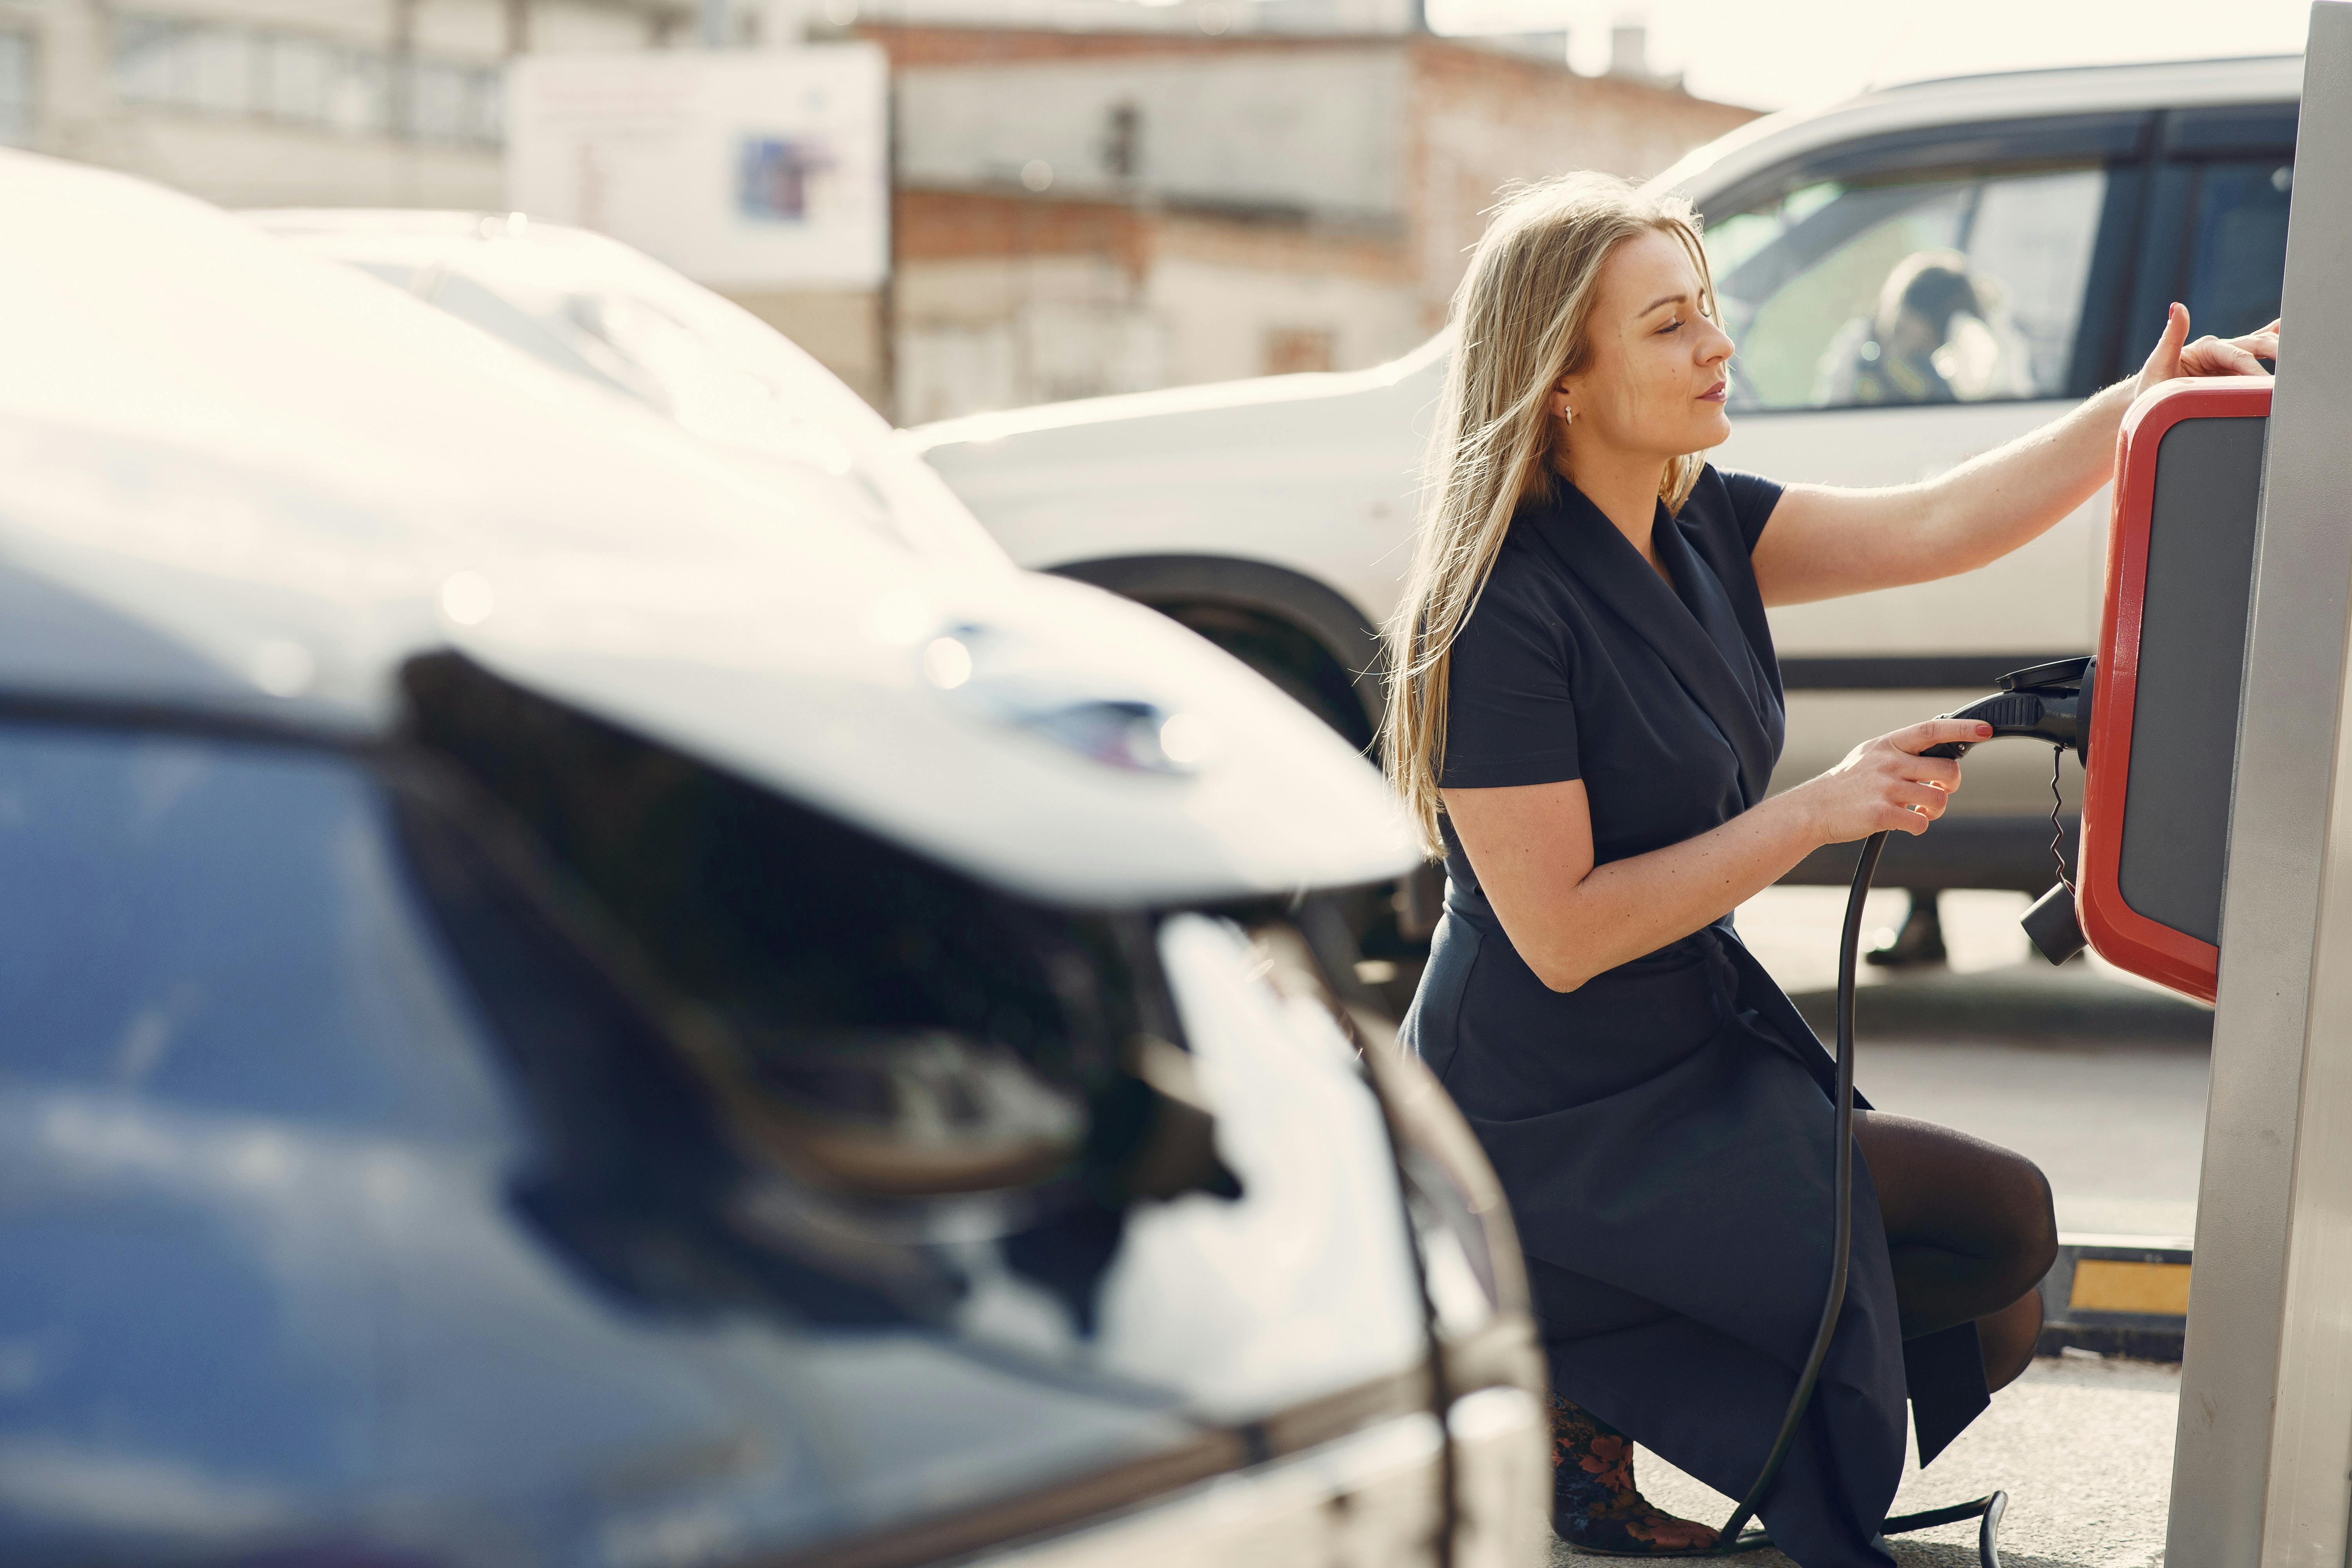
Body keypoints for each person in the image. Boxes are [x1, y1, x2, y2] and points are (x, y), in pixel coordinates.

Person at [1382, 174, 2276, 1566]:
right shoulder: (1500, 605)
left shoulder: (1704, 524)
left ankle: (1573, 1373)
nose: (1718, 348)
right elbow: (1556, 934)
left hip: (1685, 1047)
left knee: (1999, 1254)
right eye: (1670, 326)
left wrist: (2142, 407)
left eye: (1709, 314)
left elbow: (1936, 528)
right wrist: (1819, 813)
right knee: (1990, 1227)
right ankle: (1562, 1341)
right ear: (1561, 377)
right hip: (1547, 1105)